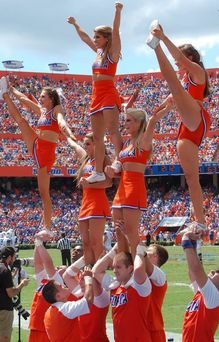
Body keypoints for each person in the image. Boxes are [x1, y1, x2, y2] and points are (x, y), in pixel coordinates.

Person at [147, 24, 211, 232]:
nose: (176, 61)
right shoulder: (184, 80)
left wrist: (163, 39)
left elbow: (181, 61)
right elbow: (169, 104)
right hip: (186, 125)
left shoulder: (197, 72)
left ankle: (155, 46)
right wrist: (154, 119)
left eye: (180, 58)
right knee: (191, 178)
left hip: (196, 115)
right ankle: (200, 221)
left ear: (190, 57)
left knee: (172, 81)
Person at [0, 77, 75, 237]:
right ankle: (5, 94)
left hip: (46, 152)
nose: (40, 98)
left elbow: (61, 121)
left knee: (43, 192)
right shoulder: (42, 111)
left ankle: (48, 228)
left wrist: (66, 130)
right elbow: (24, 100)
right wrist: (12, 89)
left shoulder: (56, 109)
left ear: (51, 99)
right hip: (37, 143)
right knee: (21, 121)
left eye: (42, 96)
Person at [67, 2, 123, 183]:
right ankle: (98, 171)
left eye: (98, 36)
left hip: (108, 93)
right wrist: (75, 24)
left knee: (113, 130)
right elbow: (84, 38)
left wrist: (117, 12)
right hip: (95, 95)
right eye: (95, 36)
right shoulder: (98, 52)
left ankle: (118, 160)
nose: (95, 39)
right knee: (98, 136)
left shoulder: (113, 53)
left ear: (106, 38)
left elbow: (116, 31)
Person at [106, 104, 171, 257]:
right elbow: (113, 132)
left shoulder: (143, 141)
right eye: (125, 120)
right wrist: (113, 170)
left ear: (138, 122)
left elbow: (153, 120)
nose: (125, 124)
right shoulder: (126, 144)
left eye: (129, 121)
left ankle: (138, 268)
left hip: (134, 187)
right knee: (118, 231)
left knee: (130, 231)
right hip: (121, 188)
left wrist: (168, 107)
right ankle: (124, 268)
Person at [181, 230, 219, 342]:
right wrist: (194, 243)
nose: (212, 271)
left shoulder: (215, 297)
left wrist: (186, 241)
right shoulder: (202, 293)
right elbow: (193, 272)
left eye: (217, 272)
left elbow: (197, 270)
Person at [67, 133, 112, 265]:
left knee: (95, 241)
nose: (84, 146)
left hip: (97, 202)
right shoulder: (86, 159)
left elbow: (108, 183)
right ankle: (89, 269)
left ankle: (100, 271)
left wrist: (90, 184)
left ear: (96, 145)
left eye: (88, 143)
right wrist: (67, 135)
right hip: (86, 203)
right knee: (85, 242)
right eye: (84, 143)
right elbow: (76, 147)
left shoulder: (103, 159)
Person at [93, 243, 152, 342]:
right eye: (113, 267)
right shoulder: (115, 285)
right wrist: (114, 251)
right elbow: (96, 271)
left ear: (130, 268)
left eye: (118, 267)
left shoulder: (139, 287)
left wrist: (140, 252)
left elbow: (138, 269)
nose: (114, 271)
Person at [42, 268, 94, 342]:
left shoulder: (48, 312)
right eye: (61, 287)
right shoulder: (64, 309)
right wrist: (88, 278)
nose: (64, 286)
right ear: (58, 296)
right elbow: (88, 300)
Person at [0, 247, 29, 342]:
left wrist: (13, 272)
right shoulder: (5, 270)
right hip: (4, 310)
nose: (15, 259)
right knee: (4, 337)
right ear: (9, 257)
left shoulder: (3, 269)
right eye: (14, 257)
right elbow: (11, 293)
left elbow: (3, 281)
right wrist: (22, 284)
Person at [145, 244, 168, 341]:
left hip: (153, 329)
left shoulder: (160, 275)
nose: (146, 252)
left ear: (155, 256)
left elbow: (149, 269)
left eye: (148, 250)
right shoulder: (140, 273)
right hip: (140, 327)